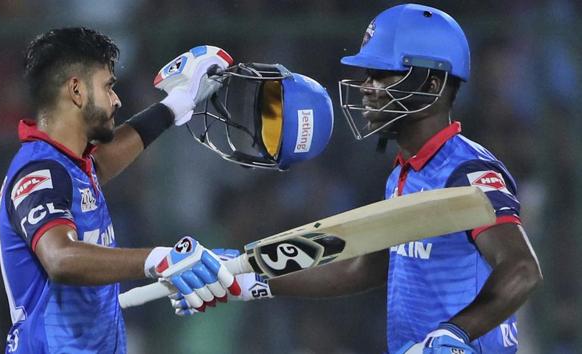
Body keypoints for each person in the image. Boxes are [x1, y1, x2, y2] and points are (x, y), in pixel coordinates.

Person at [172, 4, 543, 353]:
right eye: (367, 74)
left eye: (381, 74)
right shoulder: (403, 173)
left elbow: (522, 268)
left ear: (431, 85)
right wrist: (247, 278)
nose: (366, 86)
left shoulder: (468, 172)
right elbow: (362, 268)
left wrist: (455, 333)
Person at [0, 27, 241, 353]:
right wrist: (162, 259)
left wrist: (175, 105)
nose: (117, 99)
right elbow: (60, 258)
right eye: (108, 86)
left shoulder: (72, 166)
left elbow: (106, 160)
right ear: (76, 91)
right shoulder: (40, 172)